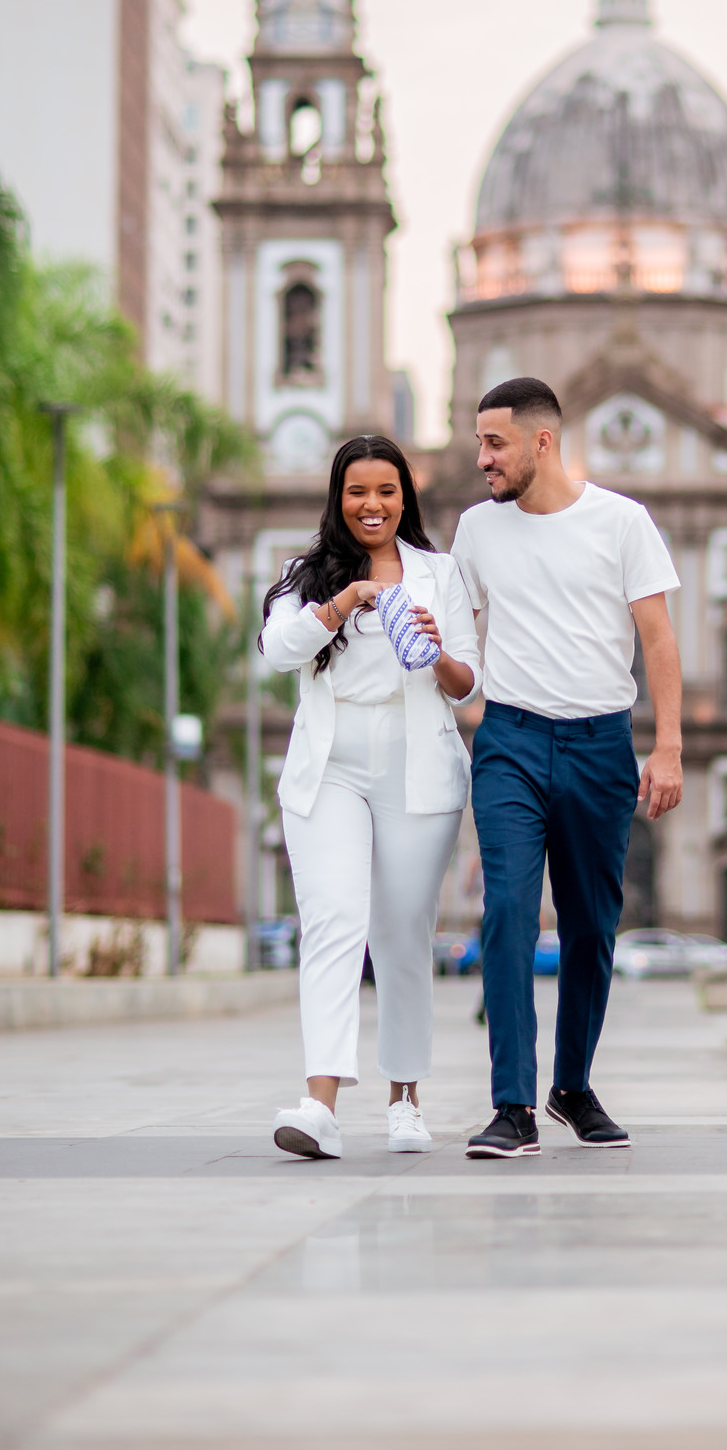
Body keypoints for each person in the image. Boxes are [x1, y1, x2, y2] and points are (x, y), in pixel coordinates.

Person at [451, 377, 683, 1158]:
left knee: (590, 926)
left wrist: (667, 746)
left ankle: (571, 1087)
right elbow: (462, 636)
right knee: (509, 913)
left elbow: (657, 639)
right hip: (509, 743)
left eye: (494, 444)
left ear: (540, 443)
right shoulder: (475, 529)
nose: (481, 458)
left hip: (600, 744)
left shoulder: (621, 522)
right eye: (479, 443)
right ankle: (511, 1105)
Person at [261, 434, 480, 1160]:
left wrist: (435, 650)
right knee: (332, 921)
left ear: (404, 498)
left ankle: (405, 1100)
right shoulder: (304, 575)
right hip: (330, 764)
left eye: (386, 490)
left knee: (403, 934)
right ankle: (320, 1107)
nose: (372, 504)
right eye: (357, 491)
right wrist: (344, 600)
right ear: (339, 498)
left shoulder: (439, 573)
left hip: (417, 763)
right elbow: (277, 651)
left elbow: (467, 683)